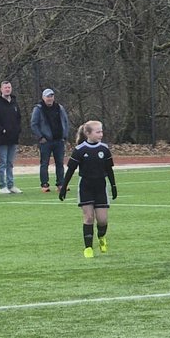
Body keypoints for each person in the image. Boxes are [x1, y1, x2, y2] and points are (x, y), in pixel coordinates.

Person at [59, 120, 116, 257]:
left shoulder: (104, 149)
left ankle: (101, 237)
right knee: (89, 217)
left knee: (102, 220)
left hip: (101, 187)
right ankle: (88, 248)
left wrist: (113, 186)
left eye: (101, 131)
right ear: (88, 133)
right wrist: (64, 186)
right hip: (86, 187)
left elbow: (109, 169)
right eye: (98, 132)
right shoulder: (80, 150)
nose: (101, 134)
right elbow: (71, 170)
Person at [0, 80, 23, 194]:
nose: (7, 89)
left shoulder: (14, 102)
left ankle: (11, 185)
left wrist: (17, 130)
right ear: (1, 89)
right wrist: (1, 130)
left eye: (9, 87)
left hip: (13, 138)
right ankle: (2, 186)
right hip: (2, 139)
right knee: (3, 163)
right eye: (5, 88)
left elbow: (19, 118)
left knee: (10, 163)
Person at [31, 88, 70, 193]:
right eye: (48, 96)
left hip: (59, 140)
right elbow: (34, 124)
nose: (50, 98)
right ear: (43, 97)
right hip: (46, 141)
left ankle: (61, 184)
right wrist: (40, 137)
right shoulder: (38, 109)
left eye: (51, 96)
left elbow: (65, 122)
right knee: (44, 163)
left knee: (60, 163)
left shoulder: (59, 108)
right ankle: (44, 184)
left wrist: (65, 136)